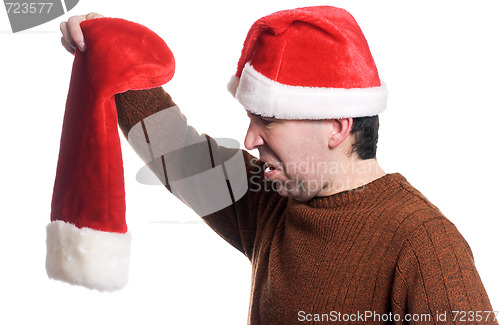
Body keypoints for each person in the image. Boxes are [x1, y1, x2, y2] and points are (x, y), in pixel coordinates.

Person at [60, 6, 497, 324]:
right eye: (250, 121)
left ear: (337, 126)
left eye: (267, 121)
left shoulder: (424, 245)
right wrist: (108, 48)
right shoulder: (273, 200)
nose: (250, 140)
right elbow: (178, 152)